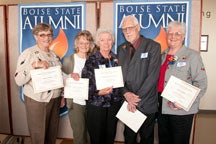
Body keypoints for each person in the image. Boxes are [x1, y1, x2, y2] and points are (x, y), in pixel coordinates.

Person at [157, 21, 208, 144]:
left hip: (181, 109)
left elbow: (201, 83)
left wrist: (185, 102)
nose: (173, 36)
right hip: (162, 106)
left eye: (178, 33)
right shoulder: (162, 56)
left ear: (184, 36)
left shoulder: (192, 56)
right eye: (170, 33)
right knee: (164, 140)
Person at [14, 23, 62, 144]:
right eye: (42, 35)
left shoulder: (54, 55)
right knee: (38, 137)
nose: (46, 38)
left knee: (51, 135)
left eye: (49, 35)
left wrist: (62, 95)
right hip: (37, 100)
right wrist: (34, 66)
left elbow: (59, 76)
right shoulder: (29, 53)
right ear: (36, 37)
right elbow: (18, 80)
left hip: (54, 99)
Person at [117, 15, 161, 144]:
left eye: (130, 27)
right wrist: (125, 93)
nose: (127, 31)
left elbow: (153, 76)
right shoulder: (121, 48)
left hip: (146, 102)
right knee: (129, 138)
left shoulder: (153, 46)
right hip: (128, 103)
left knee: (146, 138)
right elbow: (118, 75)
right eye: (124, 29)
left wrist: (134, 99)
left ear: (138, 28)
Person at [81, 28, 122, 144]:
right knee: (97, 138)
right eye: (103, 40)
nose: (106, 43)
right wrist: (99, 92)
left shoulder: (116, 59)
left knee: (110, 136)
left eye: (109, 40)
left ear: (112, 42)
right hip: (97, 105)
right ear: (98, 43)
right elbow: (85, 85)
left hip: (113, 104)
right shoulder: (92, 60)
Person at [62, 30, 94, 144]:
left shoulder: (93, 59)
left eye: (87, 43)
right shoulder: (69, 60)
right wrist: (70, 75)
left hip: (92, 103)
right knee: (79, 133)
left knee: (91, 133)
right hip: (76, 102)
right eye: (81, 43)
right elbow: (62, 79)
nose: (84, 45)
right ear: (76, 44)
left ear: (90, 45)